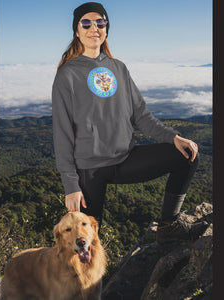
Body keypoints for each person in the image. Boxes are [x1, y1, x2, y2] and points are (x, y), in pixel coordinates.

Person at [52, 2, 208, 244]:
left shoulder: (118, 68)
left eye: (100, 22)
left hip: (126, 158)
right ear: (77, 30)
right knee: (88, 244)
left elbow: (141, 116)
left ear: (106, 29)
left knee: (187, 155)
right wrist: (71, 184)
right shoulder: (67, 74)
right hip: (90, 170)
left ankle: (168, 226)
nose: (94, 28)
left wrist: (173, 137)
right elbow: (62, 133)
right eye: (86, 23)